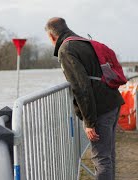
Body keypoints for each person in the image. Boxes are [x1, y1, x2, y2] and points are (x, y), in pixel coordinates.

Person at [45, 17, 124, 180]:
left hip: (100, 107)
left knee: (101, 158)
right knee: (108, 155)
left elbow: (81, 87)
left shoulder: (66, 49)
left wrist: (89, 122)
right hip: (113, 101)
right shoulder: (84, 42)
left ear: (52, 36)